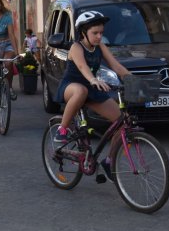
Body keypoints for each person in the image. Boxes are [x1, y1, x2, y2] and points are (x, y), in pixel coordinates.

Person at [53, 11, 130, 181]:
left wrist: (134, 80)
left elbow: (117, 66)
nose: (99, 36)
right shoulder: (76, 47)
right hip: (71, 87)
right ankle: (62, 129)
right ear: (83, 33)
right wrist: (93, 79)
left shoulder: (100, 46)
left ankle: (109, 161)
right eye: (95, 33)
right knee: (81, 90)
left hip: (91, 87)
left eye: (101, 33)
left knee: (122, 122)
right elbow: (82, 66)